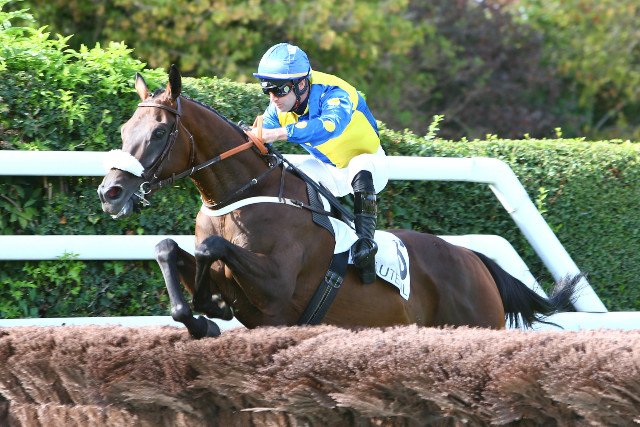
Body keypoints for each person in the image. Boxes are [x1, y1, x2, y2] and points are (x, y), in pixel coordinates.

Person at [251, 42, 389, 284]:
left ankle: (366, 245)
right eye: (268, 91)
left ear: (301, 84)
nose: (273, 99)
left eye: (279, 90)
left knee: (361, 167)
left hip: (369, 165)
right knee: (294, 176)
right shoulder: (278, 107)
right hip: (329, 169)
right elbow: (261, 140)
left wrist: (279, 133)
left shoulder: (335, 91)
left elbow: (329, 126)